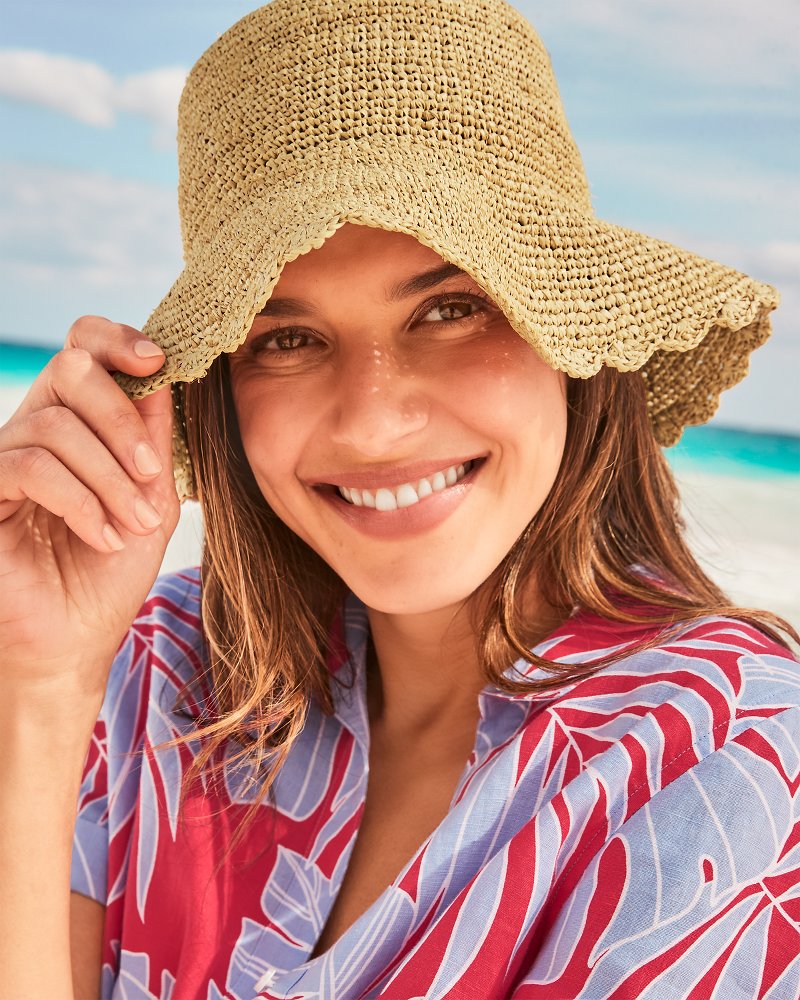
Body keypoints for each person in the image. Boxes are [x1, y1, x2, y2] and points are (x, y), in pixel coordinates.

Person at [1, 0, 798, 997]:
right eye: (285, 339)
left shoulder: (734, 769)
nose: (371, 423)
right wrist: (38, 685)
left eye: (450, 310)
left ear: (570, 346)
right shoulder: (155, 669)